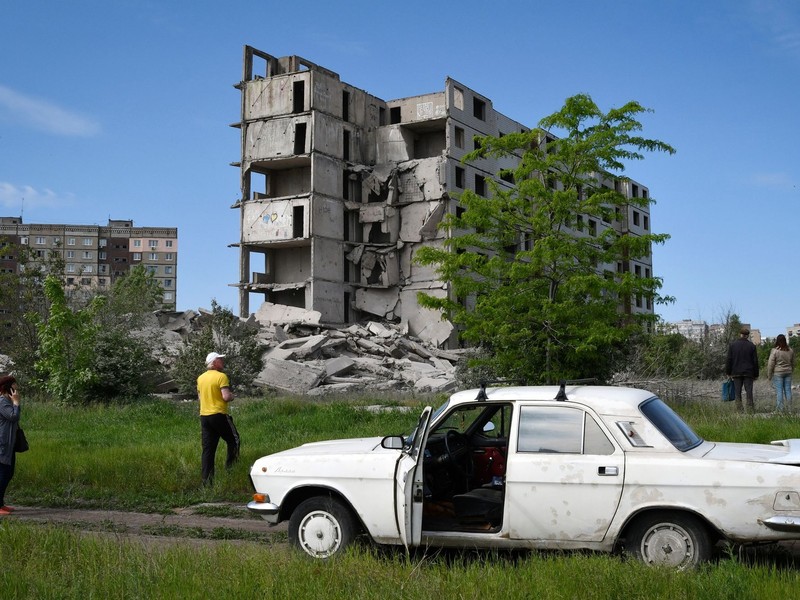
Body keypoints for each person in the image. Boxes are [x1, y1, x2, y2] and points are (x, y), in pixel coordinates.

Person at [197, 352, 239, 485]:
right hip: (219, 414)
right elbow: (226, 397)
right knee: (234, 440)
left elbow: (200, 398)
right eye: (220, 359)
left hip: (204, 416)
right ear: (214, 362)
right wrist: (232, 396)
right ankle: (231, 471)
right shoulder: (221, 377)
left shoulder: (200, 378)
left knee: (208, 449)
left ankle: (207, 482)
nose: (223, 361)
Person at [0, 375, 21, 515]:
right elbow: (13, 416)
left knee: (8, 473)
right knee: (3, 474)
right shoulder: (2, 401)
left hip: (10, 444)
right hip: (2, 444)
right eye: (13, 384)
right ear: (7, 386)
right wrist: (16, 402)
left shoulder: (8, 400)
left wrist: (15, 401)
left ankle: (1, 504)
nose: (16, 387)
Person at [726, 327, 759, 412]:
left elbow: (729, 359)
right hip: (749, 372)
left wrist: (728, 372)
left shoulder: (732, 345)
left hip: (736, 372)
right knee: (749, 391)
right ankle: (750, 409)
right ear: (747, 336)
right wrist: (756, 374)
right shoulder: (752, 346)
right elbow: (755, 361)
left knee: (737, 391)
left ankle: (739, 409)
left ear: (740, 334)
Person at [767, 334, 795, 412]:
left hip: (778, 372)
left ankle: (780, 410)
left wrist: (769, 375)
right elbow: (793, 362)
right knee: (788, 390)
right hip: (788, 372)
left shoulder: (775, 351)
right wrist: (791, 370)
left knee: (779, 391)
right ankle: (789, 409)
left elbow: (770, 364)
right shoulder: (790, 350)